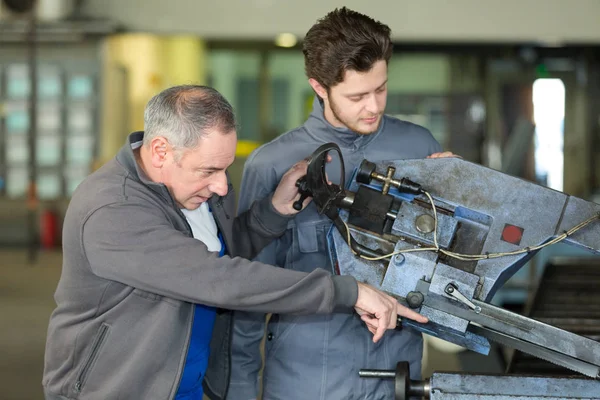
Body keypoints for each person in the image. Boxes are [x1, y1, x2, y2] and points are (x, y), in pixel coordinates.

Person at [42, 85, 428, 400]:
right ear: (160, 151)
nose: (222, 186)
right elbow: (216, 278)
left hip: (187, 385)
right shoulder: (113, 209)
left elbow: (222, 250)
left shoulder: (190, 187)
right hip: (119, 389)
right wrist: (348, 292)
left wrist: (273, 211)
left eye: (226, 168)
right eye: (209, 170)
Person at [227, 8, 455, 400]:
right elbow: (247, 293)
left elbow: (457, 271)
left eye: (380, 89)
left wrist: (468, 197)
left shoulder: (420, 149)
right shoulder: (272, 164)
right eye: (357, 95)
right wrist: (241, 391)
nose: (373, 106)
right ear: (319, 86)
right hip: (305, 384)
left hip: (397, 381)